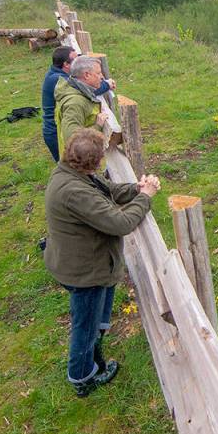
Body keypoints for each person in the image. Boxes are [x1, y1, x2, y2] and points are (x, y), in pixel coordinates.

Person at [44, 128, 161, 397]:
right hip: (84, 272)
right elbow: (121, 223)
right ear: (93, 162)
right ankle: (82, 377)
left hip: (84, 263)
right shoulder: (75, 192)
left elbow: (105, 190)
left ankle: (94, 351)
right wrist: (146, 197)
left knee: (92, 319)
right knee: (84, 327)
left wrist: (135, 189)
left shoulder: (71, 172)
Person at [42, 47, 114, 162]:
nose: (101, 77)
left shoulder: (75, 87)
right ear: (86, 75)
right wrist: (97, 126)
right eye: (98, 73)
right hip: (77, 163)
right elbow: (73, 139)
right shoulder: (75, 102)